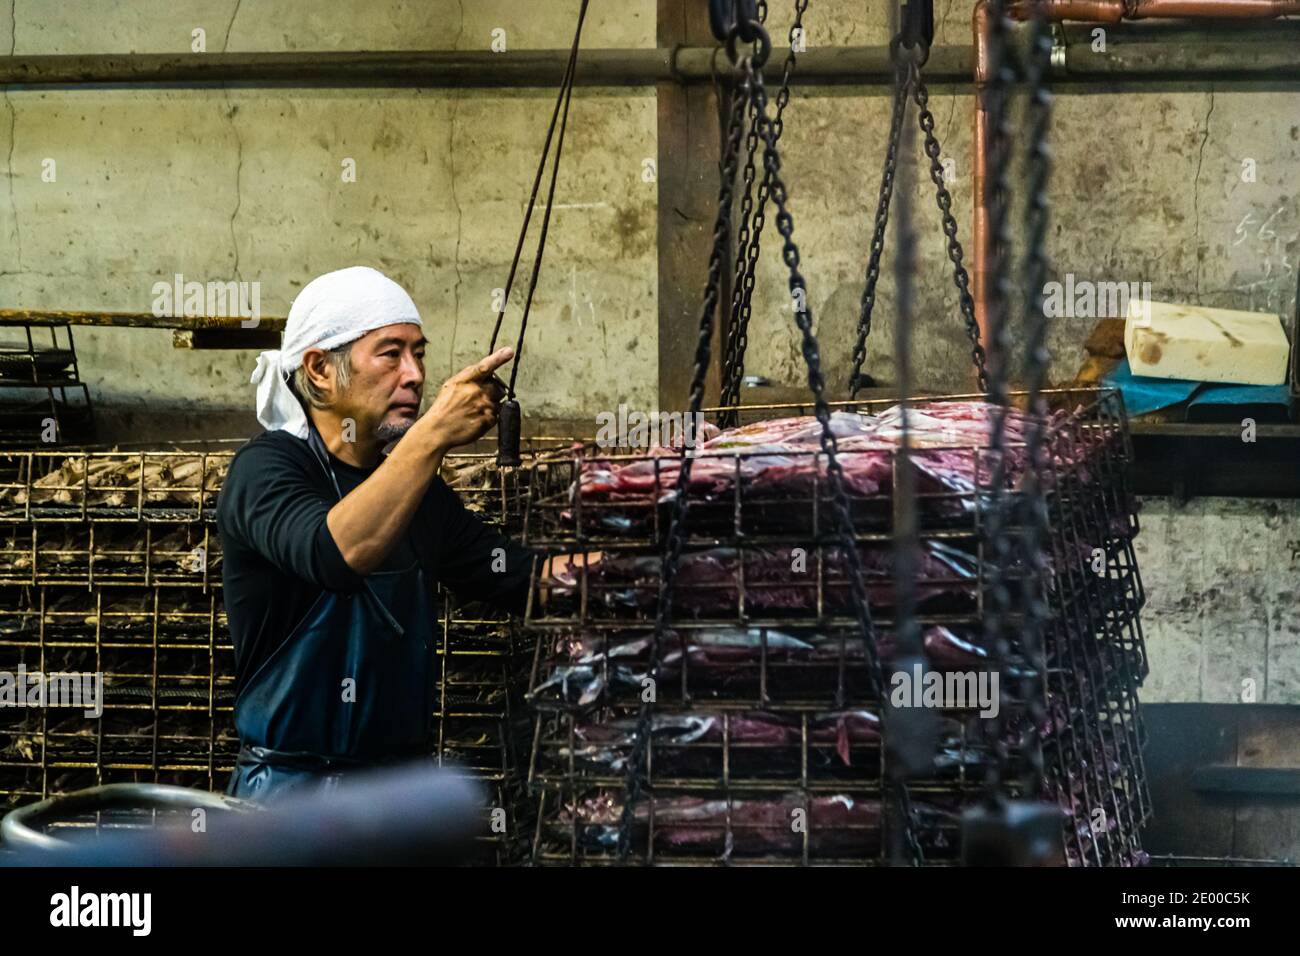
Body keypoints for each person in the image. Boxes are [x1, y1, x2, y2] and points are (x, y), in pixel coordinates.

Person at [217, 265, 562, 802]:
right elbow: (336, 553)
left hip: (395, 799)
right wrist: (432, 436)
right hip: (289, 801)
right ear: (320, 370)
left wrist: (672, 565)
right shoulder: (266, 472)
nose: (416, 375)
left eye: (419, 353)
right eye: (391, 353)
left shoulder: (416, 493)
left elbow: (525, 579)